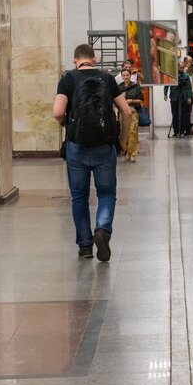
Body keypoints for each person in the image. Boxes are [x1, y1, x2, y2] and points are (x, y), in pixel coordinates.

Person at [53, 44, 132, 262]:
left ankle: (85, 246)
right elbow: (126, 112)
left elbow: (58, 112)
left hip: (77, 147)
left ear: (75, 61)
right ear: (94, 60)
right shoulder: (107, 79)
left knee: (79, 197)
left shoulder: (68, 79)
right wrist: (123, 141)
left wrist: (65, 123)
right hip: (104, 147)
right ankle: (103, 230)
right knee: (106, 193)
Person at [119, 68, 144, 162]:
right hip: (123, 113)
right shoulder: (119, 87)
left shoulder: (136, 86)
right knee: (124, 132)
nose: (125, 77)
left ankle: (133, 153)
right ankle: (126, 151)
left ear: (130, 76)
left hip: (133, 111)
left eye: (127, 75)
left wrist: (131, 101)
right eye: (123, 75)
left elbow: (141, 100)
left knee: (132, 131)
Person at [164, 61, 185, 138]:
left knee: (182, 114)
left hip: (182, 98)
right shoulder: (171, 76)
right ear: (177, 67)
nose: (182, 69)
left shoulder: (185, 75)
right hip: (173, 97)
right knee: (175, 114)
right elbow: (166, 85)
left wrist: (188, 96)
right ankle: (176, 131)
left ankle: (182, 131)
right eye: (180, 68)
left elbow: (188, 87)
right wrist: (165, 94)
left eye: (183, 68)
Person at [179, 56, 193, 137]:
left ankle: (187, 130)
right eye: (189, 62)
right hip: (185, 95)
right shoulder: (183, 71)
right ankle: (186, 129)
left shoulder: (190, 70)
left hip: (189, 94)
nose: (191, 63)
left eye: (191, 62)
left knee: (187, 113)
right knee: (185, 113)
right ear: (185, 62)